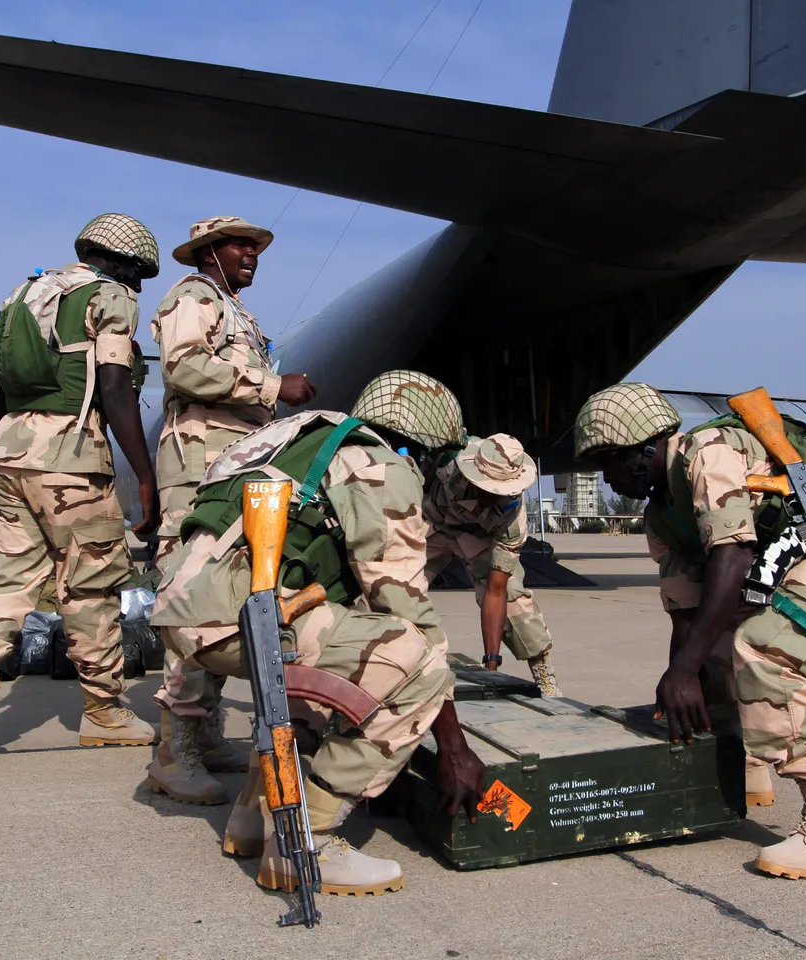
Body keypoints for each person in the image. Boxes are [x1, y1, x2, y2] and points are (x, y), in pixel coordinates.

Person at [573, 383, 806, 879]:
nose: (606, 479)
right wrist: (680, 679)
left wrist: (683, 672)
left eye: (607, 463)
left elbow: (733, 558)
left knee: (766, 651)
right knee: (710, 652)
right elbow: (687, 615)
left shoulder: (708, 455)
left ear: (642, 450)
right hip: (802, 556)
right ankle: (744, 767)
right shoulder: (663, 516)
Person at [149, 370, 484, 896]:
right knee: (418, 662)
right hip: (237, 615)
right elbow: (406, 609)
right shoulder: (379, 465)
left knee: (335, 659)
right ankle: (307, 840)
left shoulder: (292, 437)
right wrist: (454, 747)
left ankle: (255, 817)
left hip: (181, 610)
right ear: (421, 447)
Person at [0, 213, 163, 775]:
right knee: (91, 586)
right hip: (71, 459)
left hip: (9, 453)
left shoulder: (25, 292)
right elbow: (114, 385)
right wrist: (144, 472)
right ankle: (104, 712)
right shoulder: (107, 296)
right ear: (117, 262)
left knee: (3, 589)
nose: (137, 286)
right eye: (137, 273)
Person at [146, 216, 319, 804]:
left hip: (231, 465)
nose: (251, 254)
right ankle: (175, 754)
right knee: (193, 596)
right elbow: (183, 367)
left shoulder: (233, 310)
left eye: (255, 246)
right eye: (239, 245)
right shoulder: (193, 296)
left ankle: (204, 733)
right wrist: (273, 387)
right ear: (209, 252)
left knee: (227, 594)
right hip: (199, 465)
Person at [422, 433, 562, 695]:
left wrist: (491, 667)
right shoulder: (447, 456)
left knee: (511, 595)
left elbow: (495, 592)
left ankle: (543, 673)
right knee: (391, 579)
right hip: (431, 525)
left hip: (479, 537)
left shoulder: (512, 521)